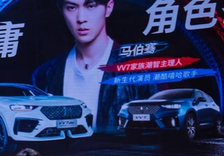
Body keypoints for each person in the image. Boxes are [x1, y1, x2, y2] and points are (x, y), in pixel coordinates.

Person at [32, 0, 154, 133]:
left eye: (91, 6)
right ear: (62, 11)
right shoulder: (45, 74)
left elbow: (157, 134)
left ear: (108, 8)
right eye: (71, 8)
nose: (81, 18)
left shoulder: (142, 70)